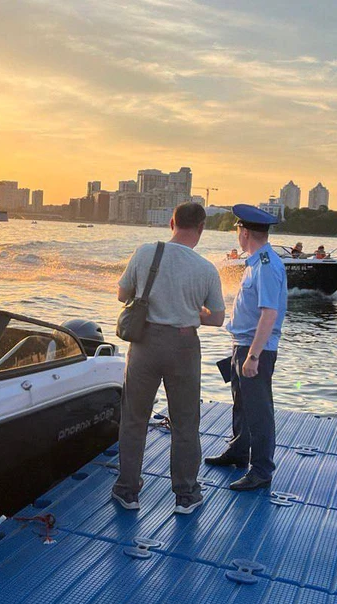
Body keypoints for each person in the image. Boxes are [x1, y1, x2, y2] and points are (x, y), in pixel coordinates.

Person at [112, 202, 226, 515]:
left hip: (145, 344)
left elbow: (123, 295)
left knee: (135, 418)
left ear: (172, 222)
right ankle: (186, 495)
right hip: (183, 346)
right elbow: (217, 318)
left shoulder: (144, 252)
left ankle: (128, 491)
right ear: (201, 228)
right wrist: (190, 312)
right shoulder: (205, 269)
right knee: (185, 423)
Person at [205, 204, 287, 491]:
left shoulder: (265, 266)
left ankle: (262, 470)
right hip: (243, 344)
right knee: (241, 404)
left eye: (238, 229)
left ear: (245, 232)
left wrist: (253, 356)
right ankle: (239, 452)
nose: (236, 234)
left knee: (258, 410)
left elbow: (269, 313)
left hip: (256, 349)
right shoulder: (256, 262)